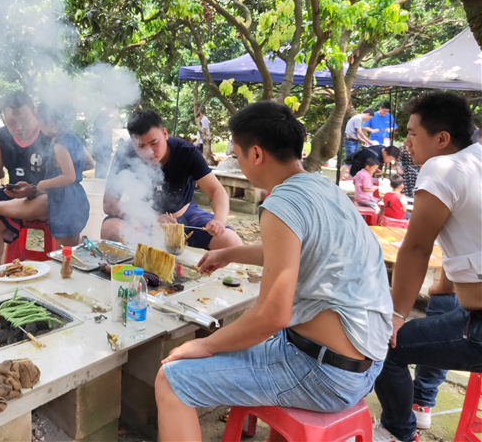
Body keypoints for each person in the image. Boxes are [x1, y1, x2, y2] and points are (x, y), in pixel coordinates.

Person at [155, 102, 392, 442]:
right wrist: (231, 253)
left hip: (325, 373)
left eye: (235, 154)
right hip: (368, 360)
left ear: (255, 154)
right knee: (263, 340)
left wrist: (205, 347)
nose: (235, 162)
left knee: (172, 380)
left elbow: (272, 314)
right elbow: (295, 252)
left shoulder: (280, 205)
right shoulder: (323, 188)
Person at [372, 92, 482, 442]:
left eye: (412, 134)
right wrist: (444, 286)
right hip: (469, 314)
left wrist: (395, 314)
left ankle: (397, 432)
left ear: (442, 139)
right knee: (442, 308)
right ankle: (421, 404)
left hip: (478, 326)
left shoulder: (441, 166)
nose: (407, 142)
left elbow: (417, 248)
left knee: (379, 345)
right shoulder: (475, 157)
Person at [101, 110, 241, 250]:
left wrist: (219, 222)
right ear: (132, 142)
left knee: (231, 242)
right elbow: (109, 204)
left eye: (154, 143)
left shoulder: (186, 153)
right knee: (110, 229)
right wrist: (153, 218)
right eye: (141, 146)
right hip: (141, 219)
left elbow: (217, 191)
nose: (149, 152)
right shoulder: (124, 154)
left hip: (184, 217)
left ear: (165, 134)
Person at [0, 92, 53, 271]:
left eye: (24, 120)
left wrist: (33, 190)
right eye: (12, 122)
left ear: (34, 112)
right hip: (13, 199)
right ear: (3, 118)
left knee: (45, 202)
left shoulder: (49, 134)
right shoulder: (0, 136)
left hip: (44, 197)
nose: (19, 128)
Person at [35, 102, 90, 247]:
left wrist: (42, 185)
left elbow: (69, 176)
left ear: (52, 123)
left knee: (65, 252)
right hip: (76, 198)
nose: (38, 126)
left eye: (40, 122)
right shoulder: (73, 138)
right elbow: (89, 163)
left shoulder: (60, 145)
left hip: (66, 204)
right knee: (73, 247)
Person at [340, 108, 375, 179]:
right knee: (349, 161)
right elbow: (359, 131)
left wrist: (361, 139)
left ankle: (350, 177)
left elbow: (355, 132)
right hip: (351, 142)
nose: (368, 120)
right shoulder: (358, 118)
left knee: (353, 160)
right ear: (368, 114)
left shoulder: (357, 118)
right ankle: (340, 178)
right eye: (369, 118)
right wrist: (368, 141)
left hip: (354, 141)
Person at [92, 105, 119, 178]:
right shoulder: (101, 114)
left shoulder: (103, 115)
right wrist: (115, 119)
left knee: (103, 171)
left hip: (104, 148)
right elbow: (103, 129)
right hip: (102, 148)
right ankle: (99, 187)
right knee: (101, 172)